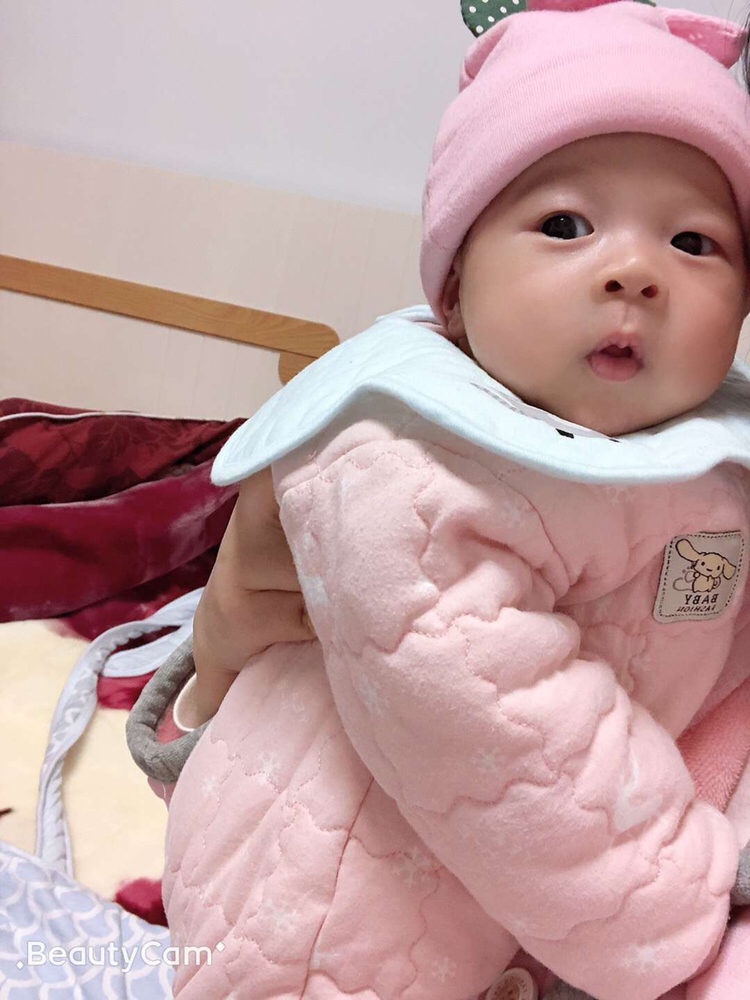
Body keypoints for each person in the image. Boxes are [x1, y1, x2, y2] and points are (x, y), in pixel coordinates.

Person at [127, 1, 750, 997]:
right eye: (565, 225)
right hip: (345, 900)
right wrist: (677, 907)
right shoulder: (406, 452)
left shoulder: (713, 453)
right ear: (454, 291)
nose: (635, 271)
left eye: (693, 241)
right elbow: (492, 719)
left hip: (608, 877)